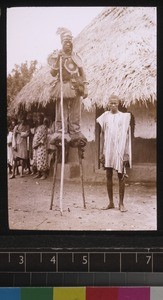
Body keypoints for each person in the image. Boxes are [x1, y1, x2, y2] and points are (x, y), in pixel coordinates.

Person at [48, 27, 88, 144]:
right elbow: (53, 73)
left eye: (70, 43)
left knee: (76, 110)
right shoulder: (57, 56)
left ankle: (75, 131)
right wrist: (58, 59)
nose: (69, 45)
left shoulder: (76, 56)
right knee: (61, 109)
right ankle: (61, 131)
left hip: (76, 87)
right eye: (66, 43)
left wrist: (85, 87)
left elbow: (82, 72)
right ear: (62, 43)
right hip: (62, 86)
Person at [96, 95, 132, 212]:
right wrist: (102, 152)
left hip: (120, 150)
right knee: (108, 175)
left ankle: (121, 203)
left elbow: (127, 136)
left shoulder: (124, 117)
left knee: (121, 176)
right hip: (108, 150)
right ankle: (111, 202)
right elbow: (102, 134)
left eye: (115, 103)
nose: (113, 105)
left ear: (118, 103)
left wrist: (126, 153)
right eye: (111, 103)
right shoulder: (105, 116)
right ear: (108, 104)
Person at [10, 114, 30, 178]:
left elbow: (27, 134)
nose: (23, 121)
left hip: (23, 144)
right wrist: (14, 145)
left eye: (24, 120)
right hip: (17, 144)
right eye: (22, 120)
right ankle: (13, 174)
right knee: (15, 159)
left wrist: (19, 132)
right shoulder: (16, 126)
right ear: (20, 120)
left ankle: (21, 173)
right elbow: (13, 136)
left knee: (23, 159)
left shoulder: (27, 126)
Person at [32, 113, 48, 180]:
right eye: (38, 118)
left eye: (40, 118)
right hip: (36, 146)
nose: (39, 120)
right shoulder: (37, 127)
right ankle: (38, 173)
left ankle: (44, 174)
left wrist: (37, 144)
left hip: (41, 146)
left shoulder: (44, 127)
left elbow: (43, 137)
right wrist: (34, 144)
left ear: (42, 119)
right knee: (36, 159)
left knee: (42, 159)